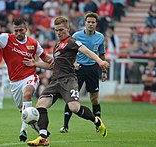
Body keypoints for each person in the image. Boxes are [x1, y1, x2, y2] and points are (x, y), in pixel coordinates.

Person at [24, 16, 109, 146]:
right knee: (40, 105)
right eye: (56, 30)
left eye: (61, 30)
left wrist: (100, 62)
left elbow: (86, 51)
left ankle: (96, 121)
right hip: (55, 81)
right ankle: (43, 137)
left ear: (68, 29)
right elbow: (52, 66)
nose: (58, 33)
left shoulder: (72, 42)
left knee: (74, 107)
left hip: (69, 80)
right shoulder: (57, 45)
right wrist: (35, 63)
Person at [60, 12, 107, 133]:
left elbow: (101, 55)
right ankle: (65, 126)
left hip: (92, 69)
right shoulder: (77, 35)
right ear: (85, 23)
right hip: (78, 69)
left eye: (93, 22)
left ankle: (98, 124)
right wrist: (73, 63)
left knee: (94, 98)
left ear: (96, 24)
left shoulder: (100, 37)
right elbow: (70, 52)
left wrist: (104, 71)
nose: (90, 24)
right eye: (88, 22)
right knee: (72, 97)